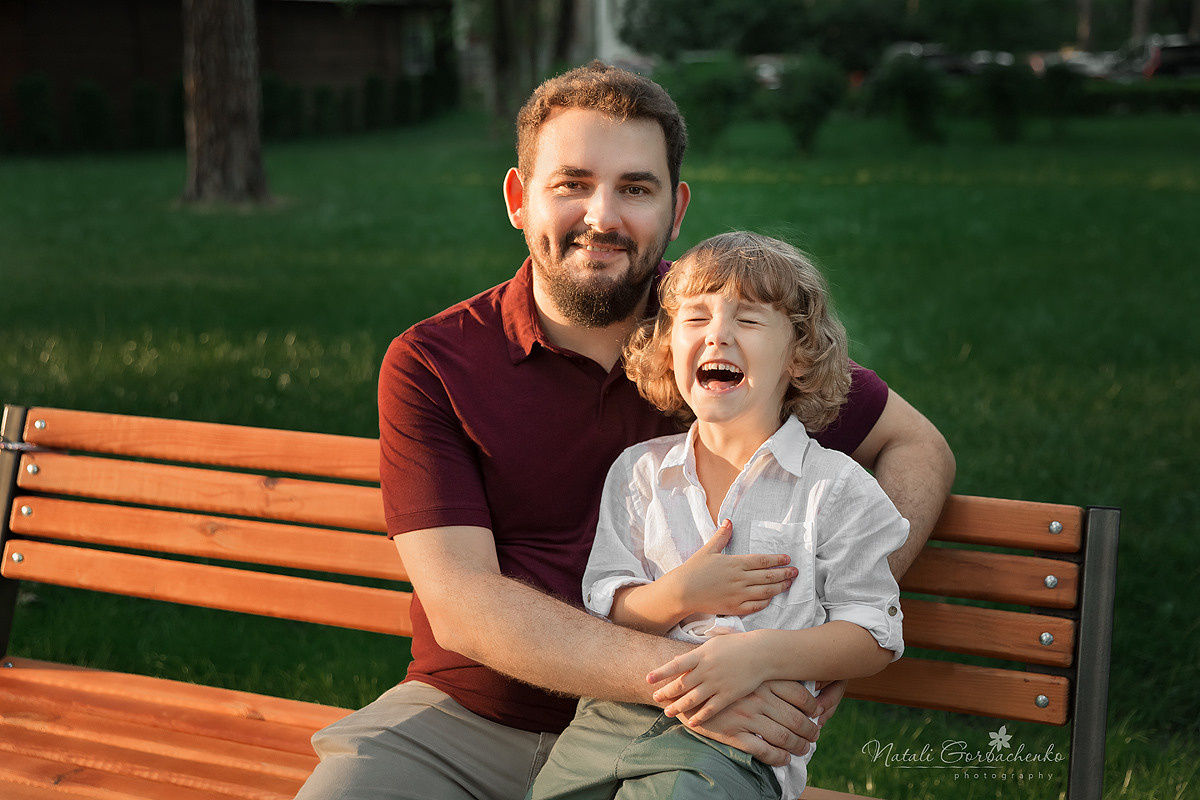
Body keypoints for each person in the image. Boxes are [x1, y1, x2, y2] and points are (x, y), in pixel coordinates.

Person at [294, 60, 954, 800]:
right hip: (474, 718)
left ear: (676, 210)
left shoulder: (722, 338)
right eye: (571, 183)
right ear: (519, 199)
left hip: (687, 738)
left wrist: (818, 636)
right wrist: (702, 680)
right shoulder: (435, 361)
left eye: (635, 188)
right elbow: (465, 605)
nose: (602, 216)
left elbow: (917, 446)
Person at [525, 231, 906, 800]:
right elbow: (608, 605)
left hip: (736, 743)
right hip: (609, 719)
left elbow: (874, 633)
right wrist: (680, 593)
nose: (718, 335)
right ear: (666, 348)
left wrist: (758, 657)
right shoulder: (639, 474)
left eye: (748, 321)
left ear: (799, 356)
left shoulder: (836, 489)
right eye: (695, 319)